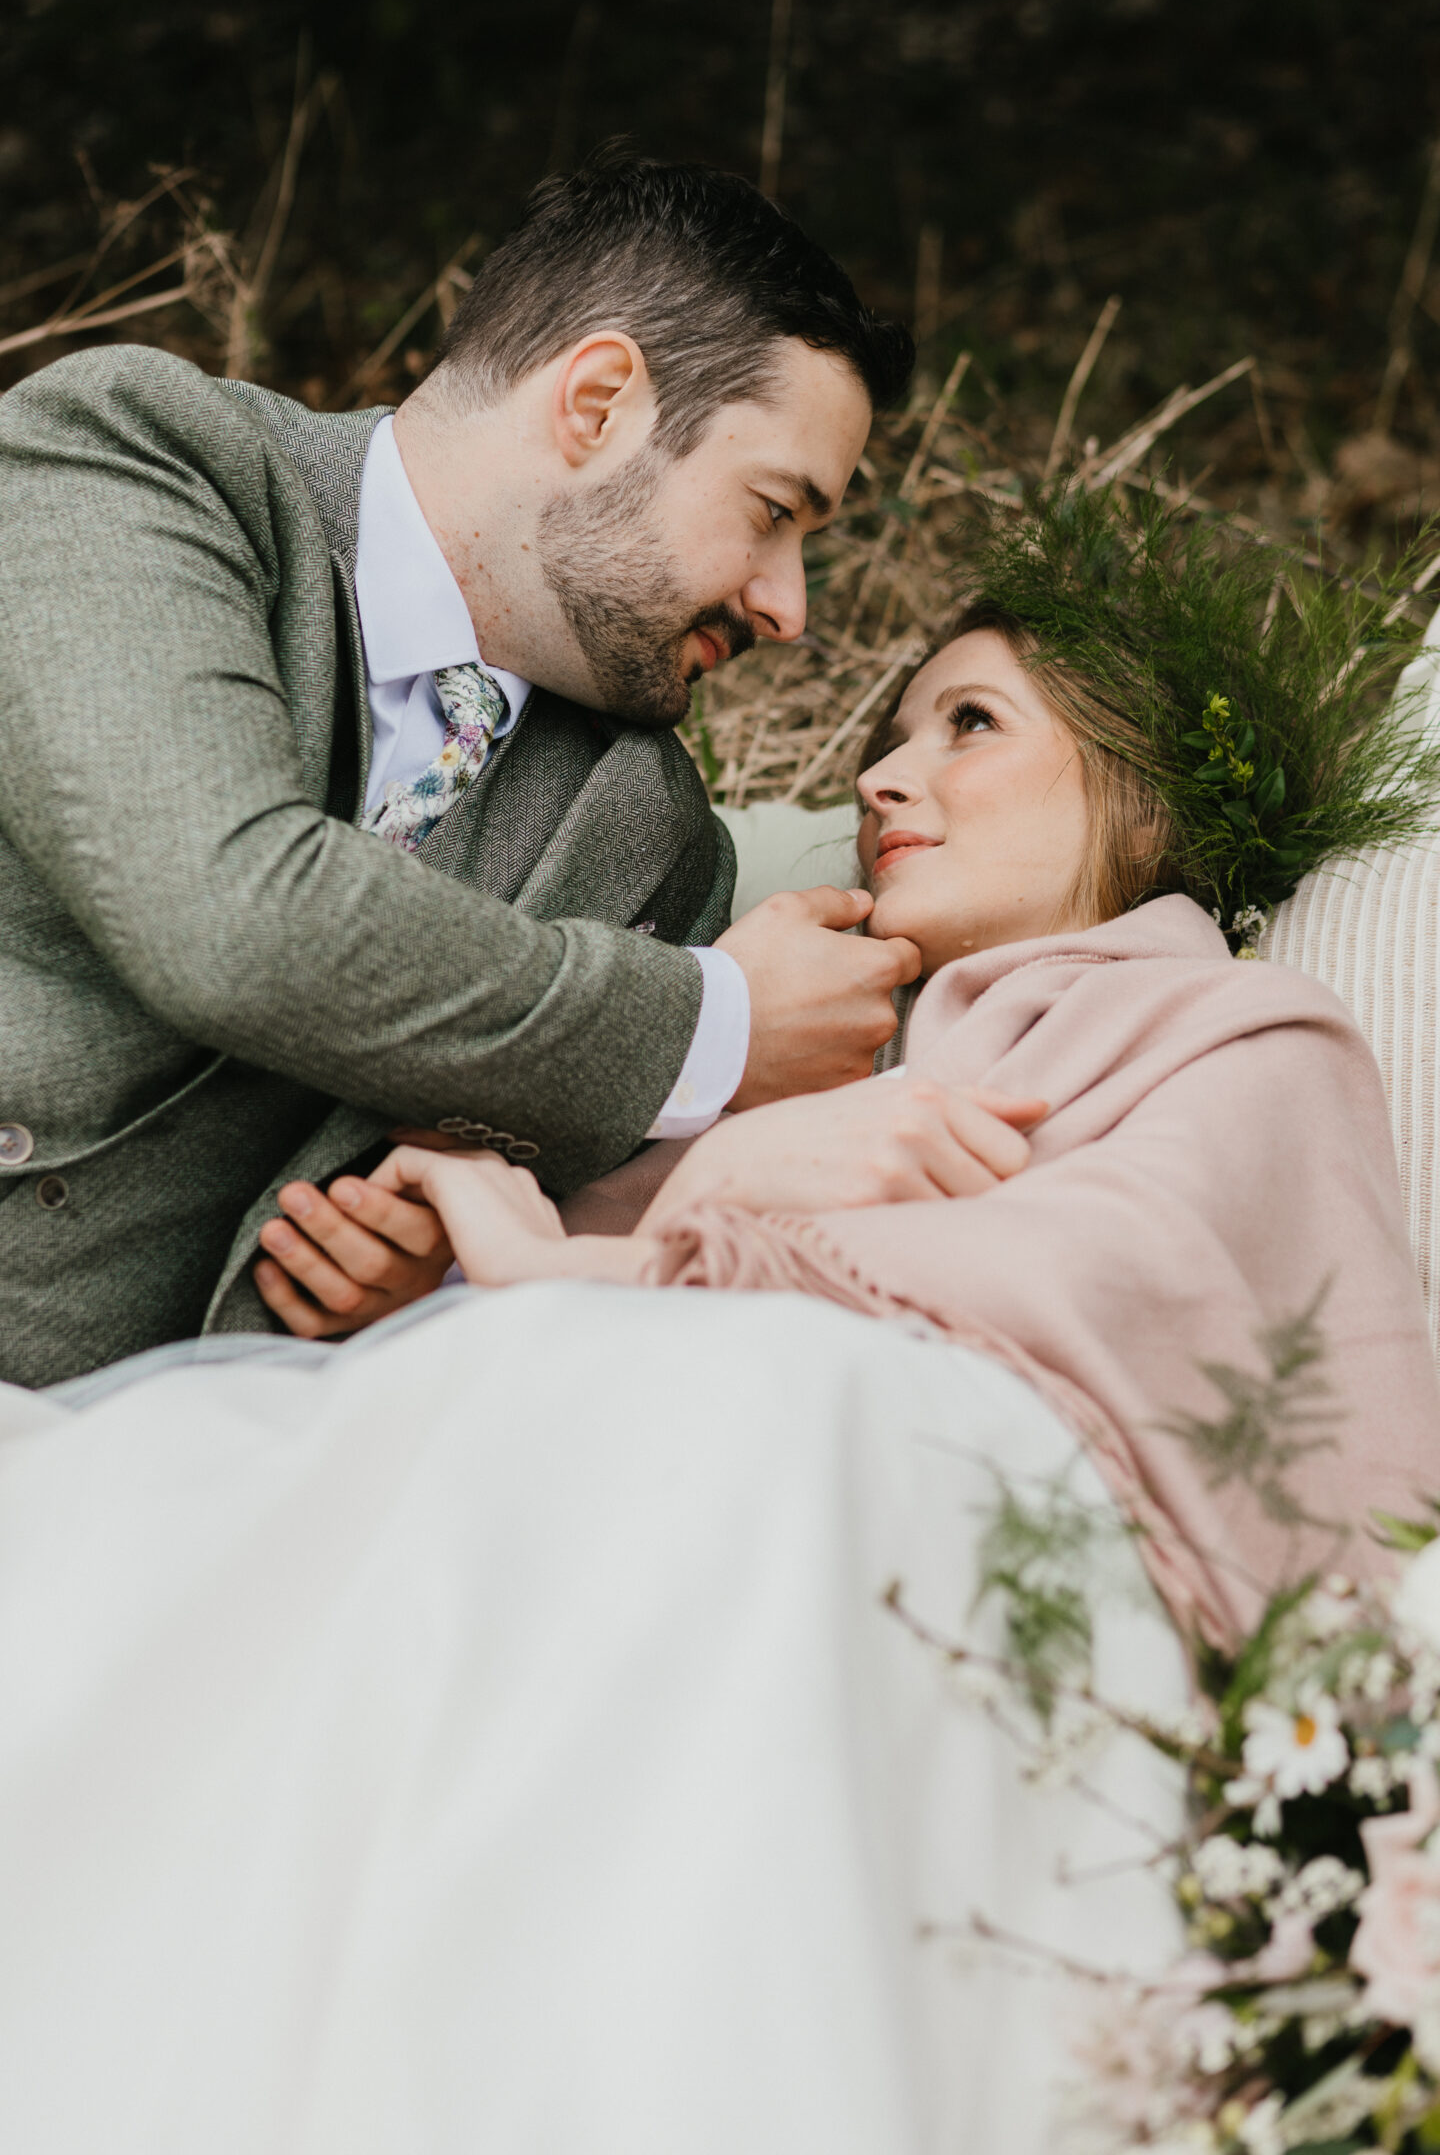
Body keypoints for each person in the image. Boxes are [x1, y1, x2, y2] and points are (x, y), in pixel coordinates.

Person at [1, 486, 1437, 2155]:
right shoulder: (779, 1085)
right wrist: (434, 1271)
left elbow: (1137, 1309)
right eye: (885, 746)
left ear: (1142, 801)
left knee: (767, 1429)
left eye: (969, 726)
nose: (887, 779)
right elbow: (574, 1291)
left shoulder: (1241, 1034)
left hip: (921, 1504)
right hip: (633, 1460)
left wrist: (635, 1249)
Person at [0, 147, 920, 1389]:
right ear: (598, 405)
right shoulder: (144, 462)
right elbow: (227, 915)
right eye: (772, 511)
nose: (788, 607)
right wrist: (713, 1024)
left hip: (148, 1456)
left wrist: (406, 1262)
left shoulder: (652, 842)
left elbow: (472, 1186)